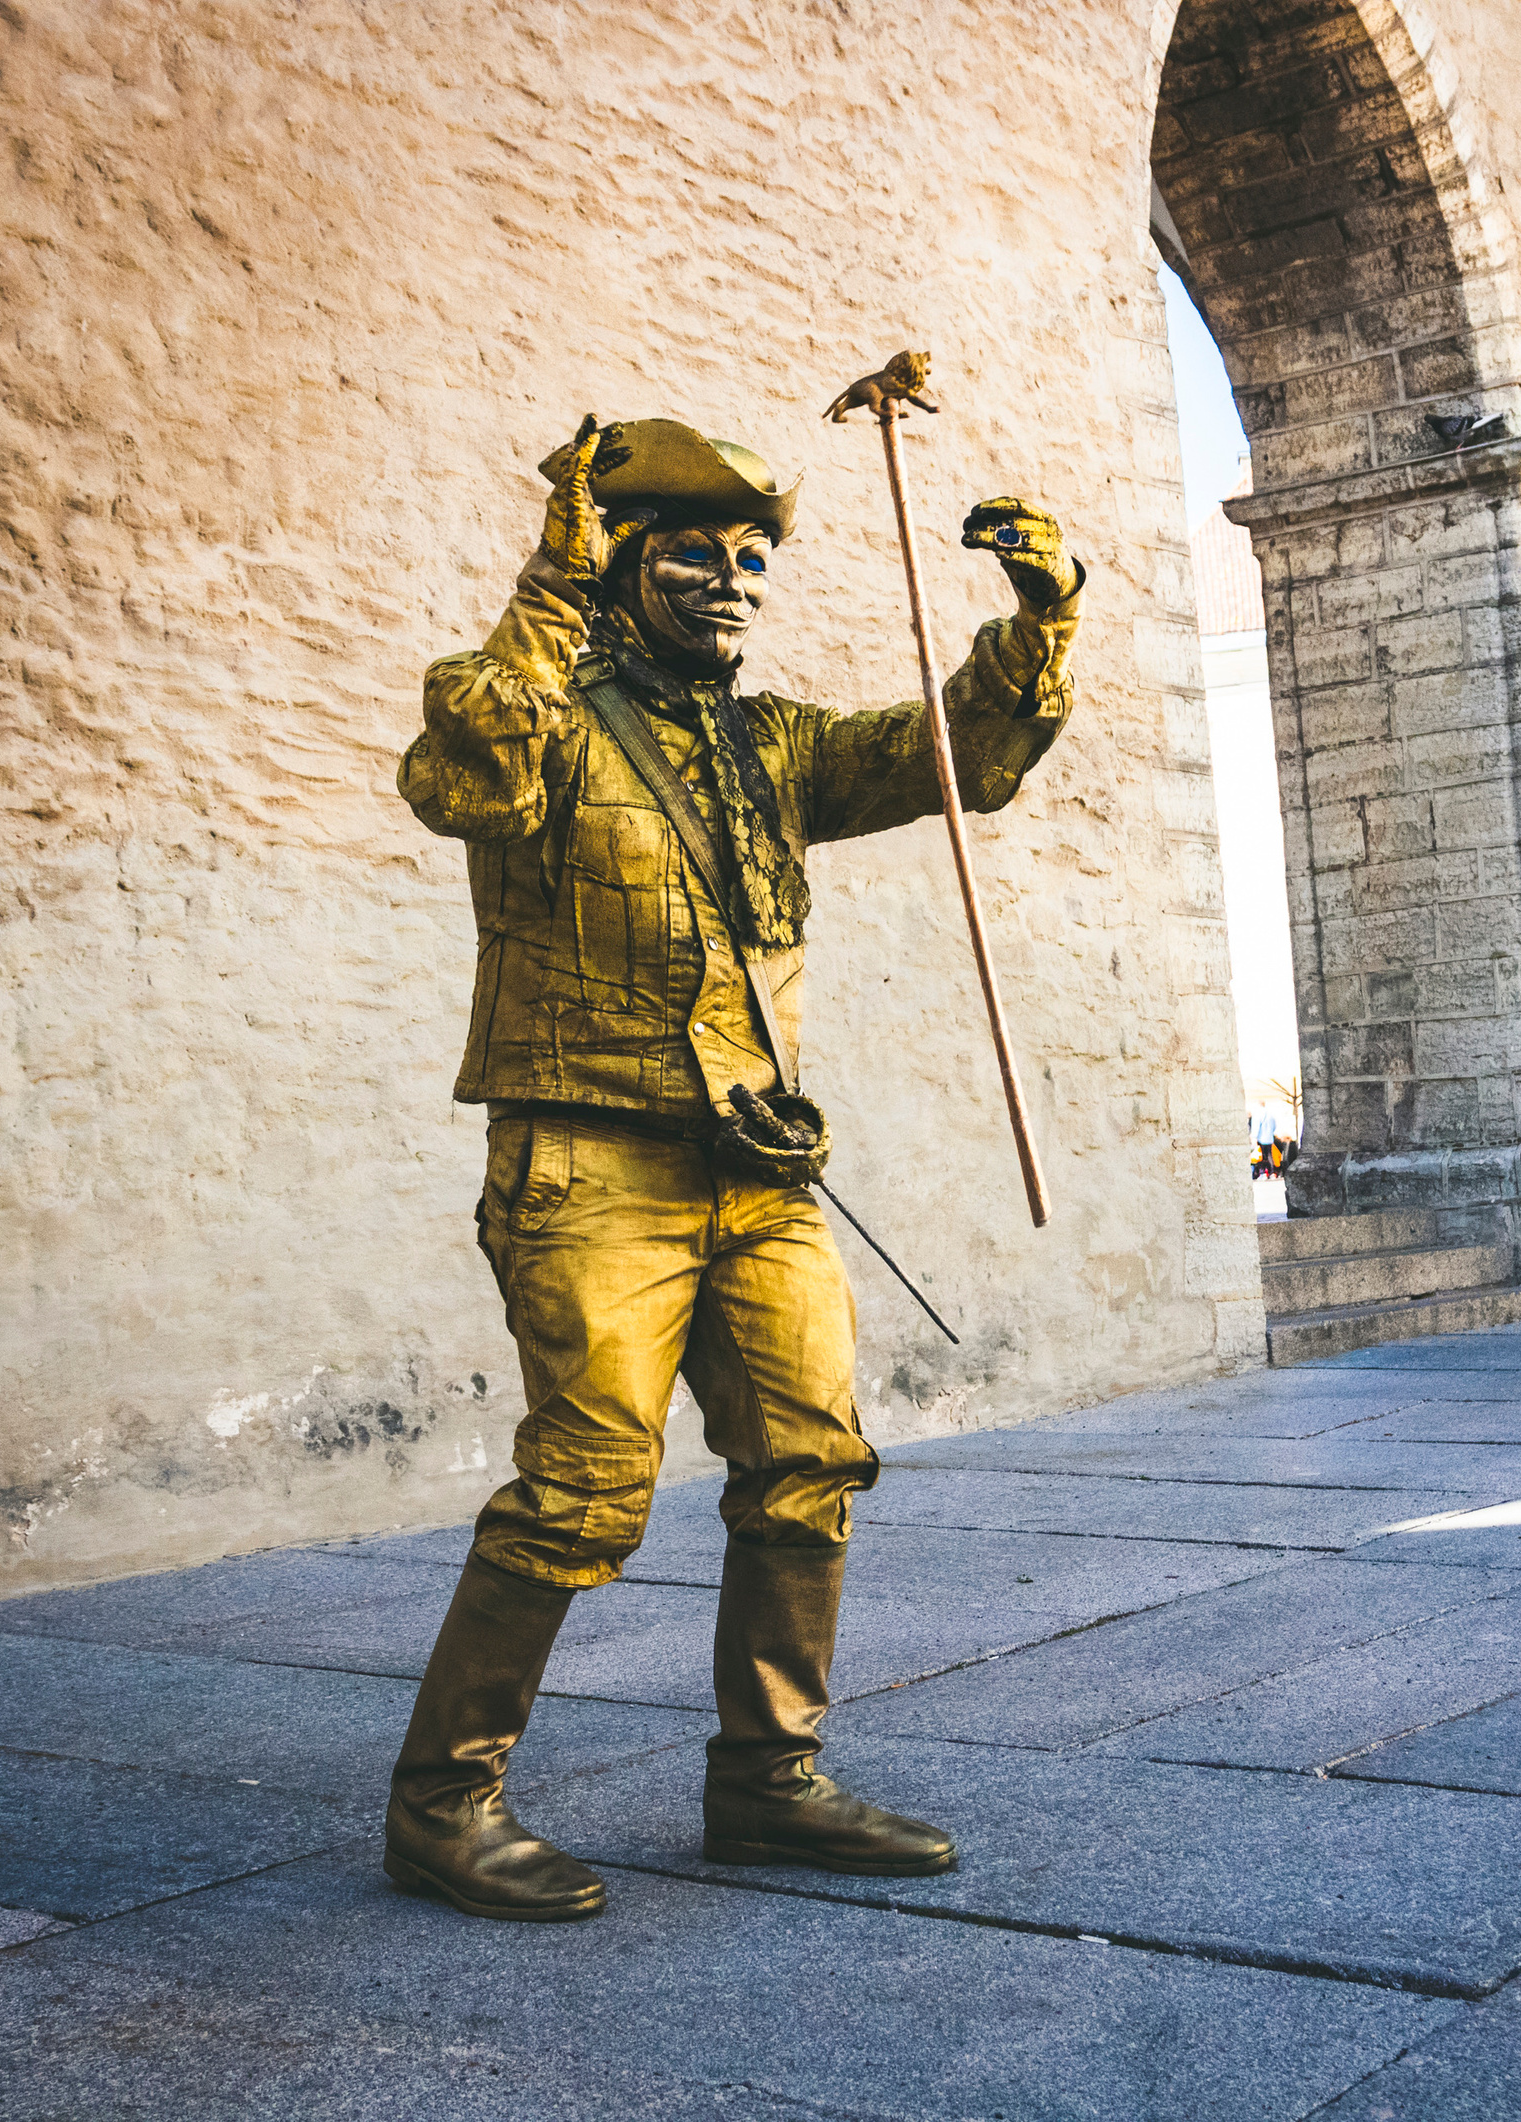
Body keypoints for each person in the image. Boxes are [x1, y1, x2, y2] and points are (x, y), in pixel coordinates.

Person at [387, 414, 1084, 1920]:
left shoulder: (774, 747)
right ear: (622, 561)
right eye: (692, 551)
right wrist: (551, 580)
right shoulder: (536, 710)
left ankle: (767, 1781)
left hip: (761, 1174)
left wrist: (1039, 626)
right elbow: (465, 774)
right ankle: (442, 1800)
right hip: (591, 1161)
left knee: (809, 1458)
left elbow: (951, 758)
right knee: (583, 1489)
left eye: (752, 555)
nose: (732, 578)